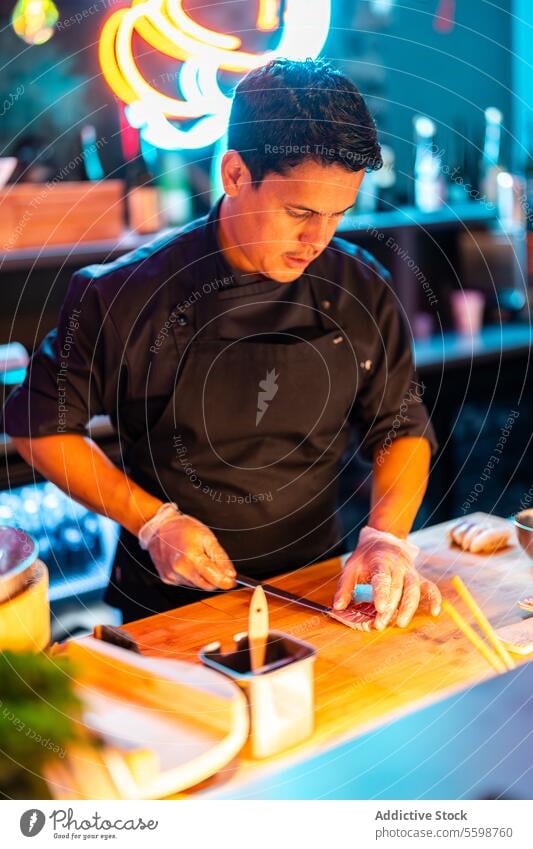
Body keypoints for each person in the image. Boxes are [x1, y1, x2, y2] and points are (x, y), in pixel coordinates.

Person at [2, 58, 442, 627]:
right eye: (300, 212)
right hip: (163, 611)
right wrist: (152, 521)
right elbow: (38, 425)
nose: (318, 238)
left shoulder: (359, 287)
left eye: (338, 213)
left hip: (320, 592)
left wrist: (386, 536)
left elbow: (401, 427)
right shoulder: (123, 295)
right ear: (235, 174)